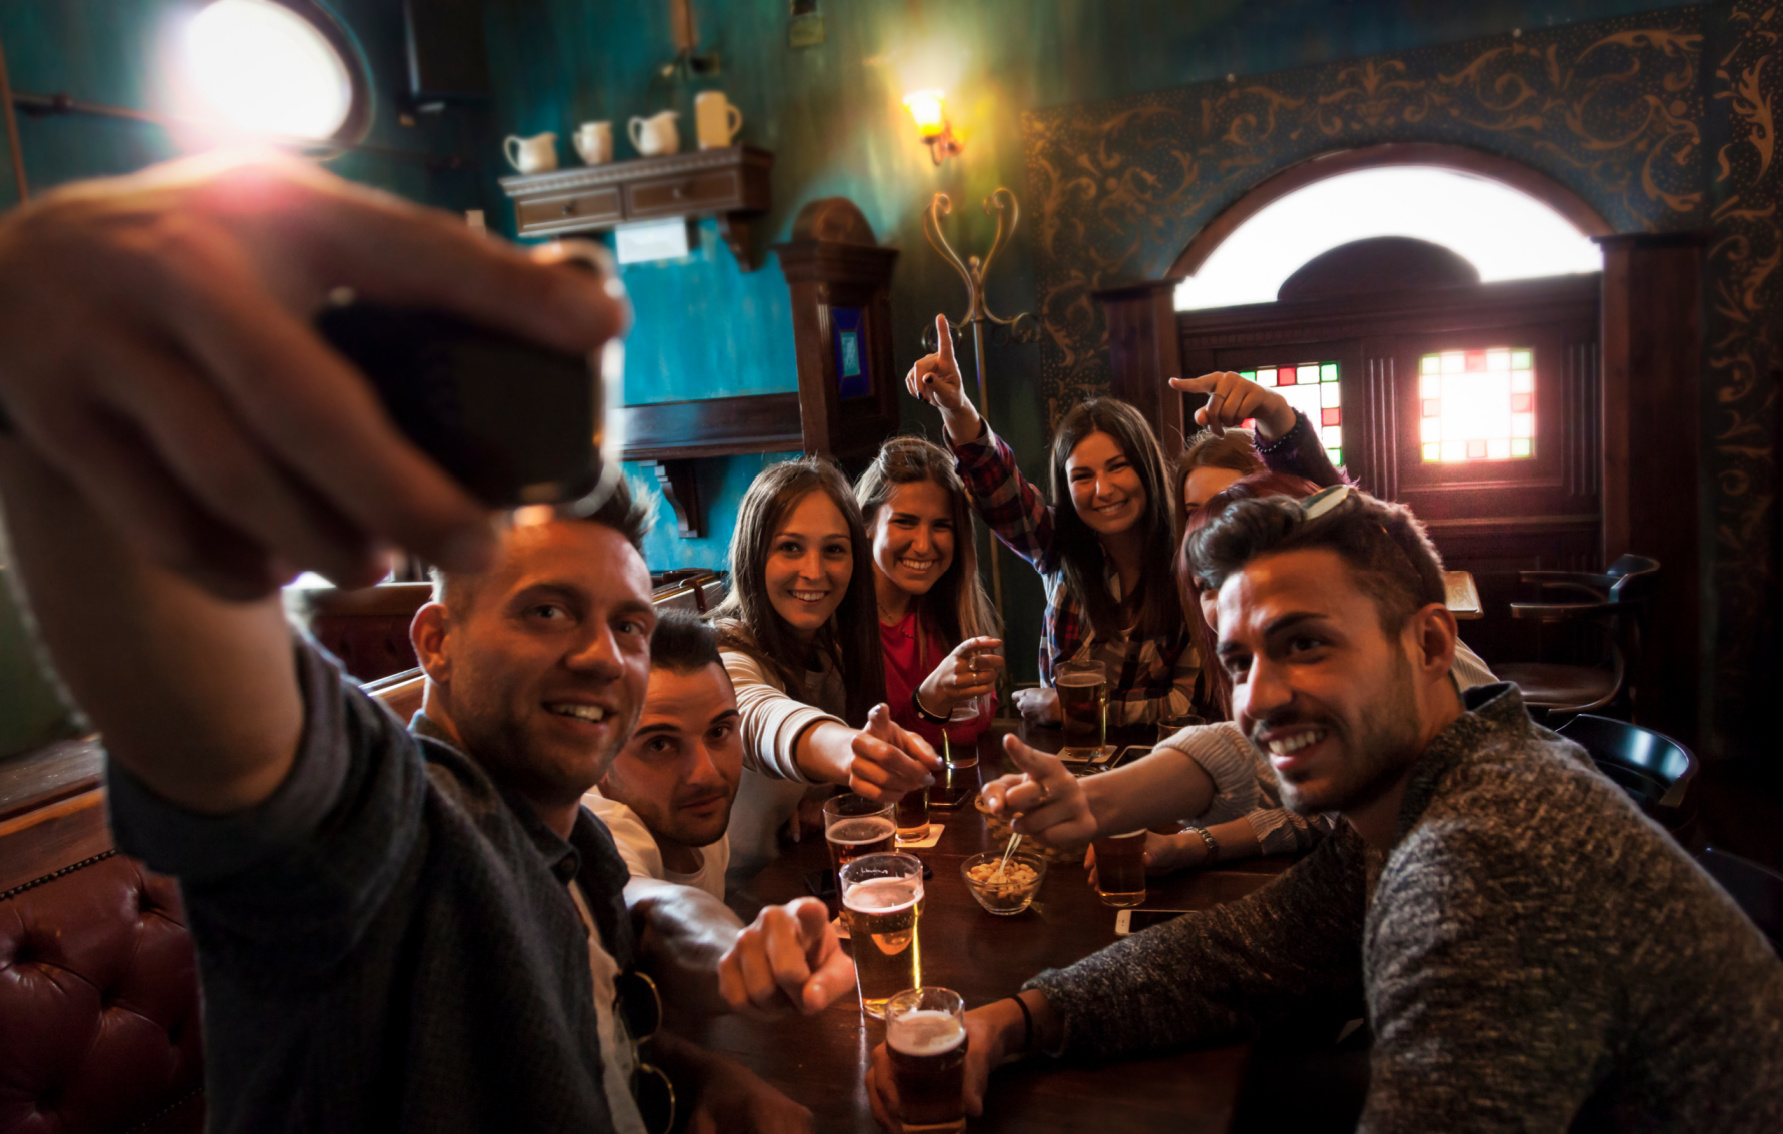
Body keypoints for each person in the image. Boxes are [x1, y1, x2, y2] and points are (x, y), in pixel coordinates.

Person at [0, 154, 830, 1133]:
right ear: (434, 638)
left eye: (628, 625)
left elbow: (620, 932)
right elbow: (259, 751)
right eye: (546, 611)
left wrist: (683, 1072)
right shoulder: (395, 826)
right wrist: (59, 346)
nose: (604, 657)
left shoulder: (570, 836)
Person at [871, 485, 1783, 1132]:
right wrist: (1015, 1019)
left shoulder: (1480, 862)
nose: (1258, 699)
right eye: (1237, 662)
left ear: (1429, 643)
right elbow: (1242, 953)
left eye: (1304, 643)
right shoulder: (1442, 784)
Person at [709, 456, 942, 884]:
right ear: (753, 552)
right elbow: (759, 717)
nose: (814, 572)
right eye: (790, 547)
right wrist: (848, 753)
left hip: (792, 888)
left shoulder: (827, 652)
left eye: (833, 549)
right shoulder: (720, 656)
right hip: (727, 911)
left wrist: (823, 794)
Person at [854, 436, 1003, 752]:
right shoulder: (838, 620)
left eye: (940, 526)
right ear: (867, 522)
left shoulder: (948, 608)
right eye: (905, 522)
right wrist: (929, 701)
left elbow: (976, 724)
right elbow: (867, 756)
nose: (923, 545)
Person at [584, 609, 742, 901]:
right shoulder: (596, 834)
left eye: (718, 732)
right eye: (659, 744)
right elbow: (630, 893)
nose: (706, 773)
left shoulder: (698, 818)